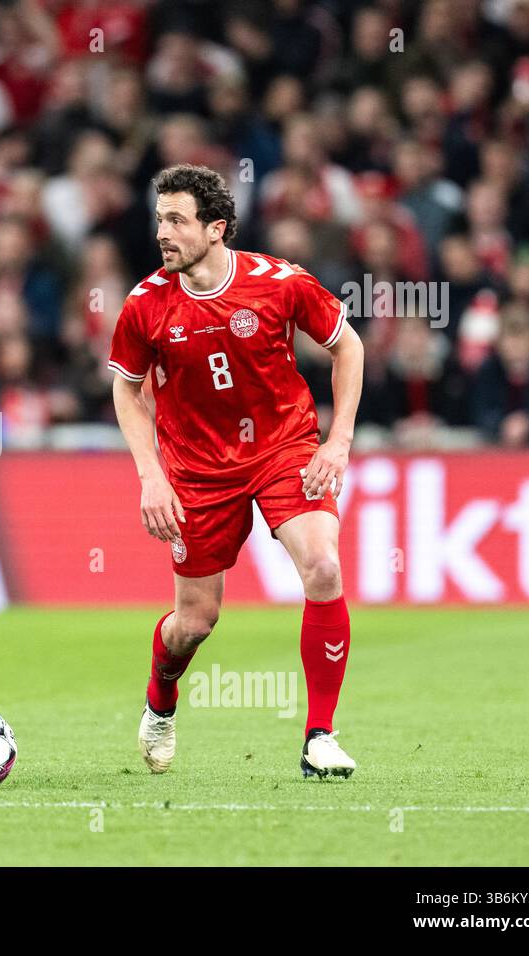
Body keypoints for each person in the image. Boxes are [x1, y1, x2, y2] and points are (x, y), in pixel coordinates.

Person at [107, 164, 365, 779]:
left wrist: (338, 441)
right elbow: (126, 390)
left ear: (216, 228)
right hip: (197, 470)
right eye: (160, 218)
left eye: (177, 220)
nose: (163, 232)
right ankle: (161, 701)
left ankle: (320, 735)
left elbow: (347, 346)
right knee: (195, 622)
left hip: (283, 447)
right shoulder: (146, 305)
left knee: (324, 566)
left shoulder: (280, 283)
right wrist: (152, 475)